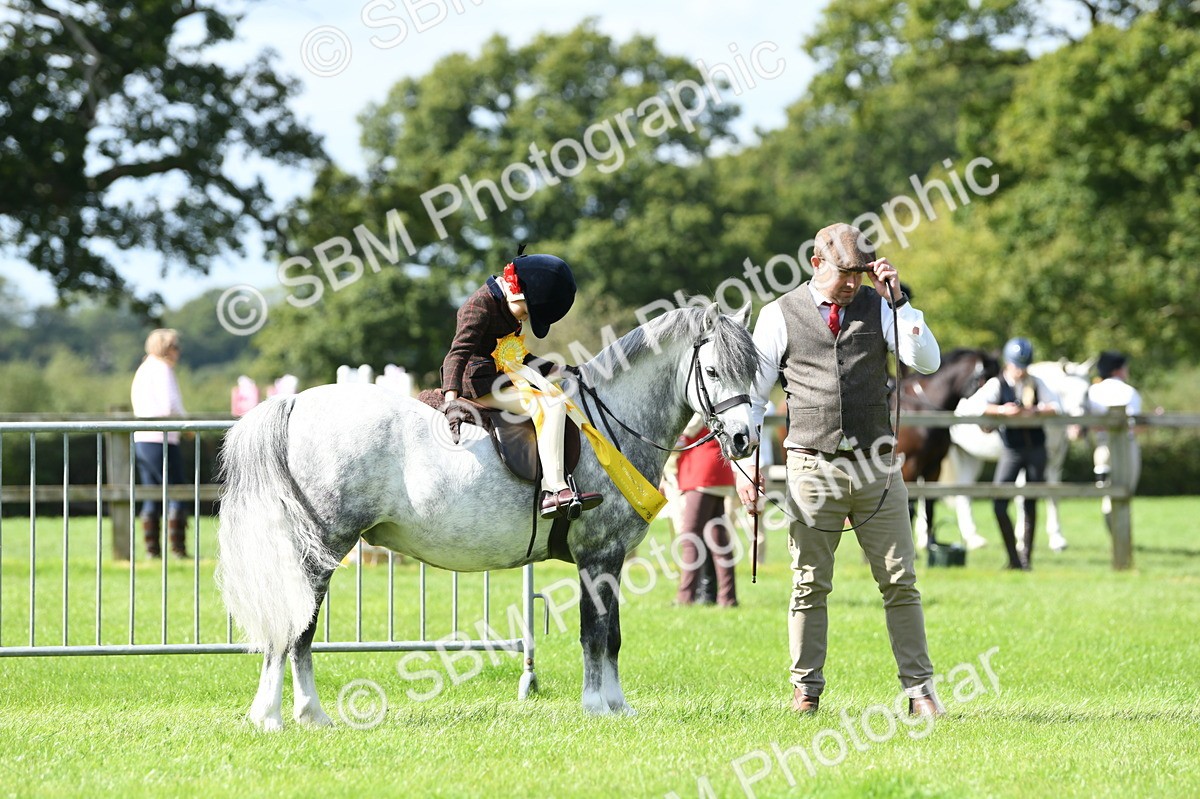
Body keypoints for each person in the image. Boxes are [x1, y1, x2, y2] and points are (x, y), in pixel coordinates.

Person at [735, 222, 944, 716]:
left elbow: (927, 361)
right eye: (843, 273)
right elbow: (753, 396)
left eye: (859, 273)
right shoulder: (778, 314)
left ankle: (920, 692)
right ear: (816, 264)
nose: (851, 283)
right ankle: (806, 691)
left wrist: (900, 302)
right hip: (811, 465)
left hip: (878, 465)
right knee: (809, 582)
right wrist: (749, 463)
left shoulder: (882, 306)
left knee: (900, 581)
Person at [441, 251, 602, 520]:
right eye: (527, 312)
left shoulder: (508, 308)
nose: (525, 320)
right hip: (478, 385)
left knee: (554, 398)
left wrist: (563, 370)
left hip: (502, 379)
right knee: (551, 405)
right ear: (517, 290)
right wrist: (450, 399)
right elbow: (457, 353)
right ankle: (554, 490)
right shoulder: (478, 306)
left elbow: (519, 357)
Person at [963, 337, 1060, 570]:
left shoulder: (1036, 383)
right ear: (1008, 363)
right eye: (1017, 366)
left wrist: (1035, 411)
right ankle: (1013, 557)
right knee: (999, 502)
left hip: (1036, 449)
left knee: (1030, 502)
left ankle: (1025, 559)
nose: (1021, 371)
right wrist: (1002, 411)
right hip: (1012, 450)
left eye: (1024, 366)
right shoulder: (997, 384)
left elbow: (1057, 406)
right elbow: (973, 405)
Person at [131, 328, 189, 559]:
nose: (178, 352)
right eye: (175, 347)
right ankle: (177, 550)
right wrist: (188, 425)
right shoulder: (163, 369)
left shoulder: (144, 368)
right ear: (166, 349)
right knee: (177, 490)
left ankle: (152, 551)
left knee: (152, 493)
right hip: (163, 437)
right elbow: (170, 404)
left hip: (142, 438)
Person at [671, 414, 738, 607]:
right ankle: (727, 597)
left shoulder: (698, 406)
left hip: (702, 472)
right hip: (717, 470)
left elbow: (686, 433)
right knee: (718, 540)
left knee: (690, 536)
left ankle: (685, 596)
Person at [1086, 351, 1142, 529]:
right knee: (1124, 493)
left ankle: (1115, 533)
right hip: (1127, 446)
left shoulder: (1092, 391)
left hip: (1102, 446)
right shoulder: (1129, 392)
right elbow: (1135, 425)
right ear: (1117, 370)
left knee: (1107, 495)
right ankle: (1121, 537)